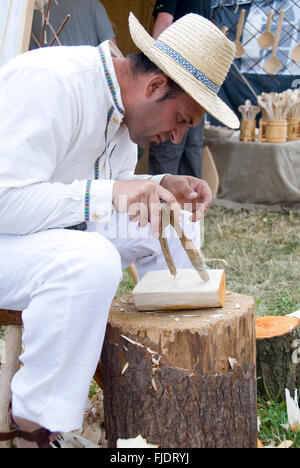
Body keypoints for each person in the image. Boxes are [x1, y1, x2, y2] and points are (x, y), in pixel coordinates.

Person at [0, 13, 239, 448]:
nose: (177, 137)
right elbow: (4, 202)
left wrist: (158, 185)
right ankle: (35, 428)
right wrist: (109, 193)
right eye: (182, 118)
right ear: (154, 87)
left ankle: (175, 372)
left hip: (43, 232)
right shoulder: (51, 83)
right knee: (89, 262)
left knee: (172, 213)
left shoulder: (126, 113)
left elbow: (93, 195)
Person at [149, 0, 212, 178]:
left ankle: (163, 202)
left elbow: (165, 22)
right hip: (200, 76)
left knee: (169, 144)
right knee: (192, 146)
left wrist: (152, 67)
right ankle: (192, 203)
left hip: (176, 75)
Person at [30, 0, 115, 49]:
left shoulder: (32, 11)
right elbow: (111, 49)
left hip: (50, 75)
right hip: (86, 74)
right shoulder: (93, 4)